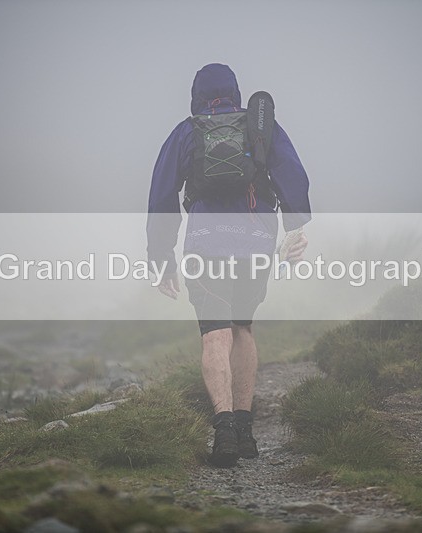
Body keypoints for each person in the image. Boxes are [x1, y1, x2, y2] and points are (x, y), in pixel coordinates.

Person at [147, 63, 311, 467]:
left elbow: (161, 198)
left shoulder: (186, 132)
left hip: (206, 245)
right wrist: (294, 229)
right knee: (243, 329)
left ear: (196, 94)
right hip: (256, 242)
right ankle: (245, 428)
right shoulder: (260, 126)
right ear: (236, 92)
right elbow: (292, 174)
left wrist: (162, 260)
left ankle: (223, 431)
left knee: (214, 335)